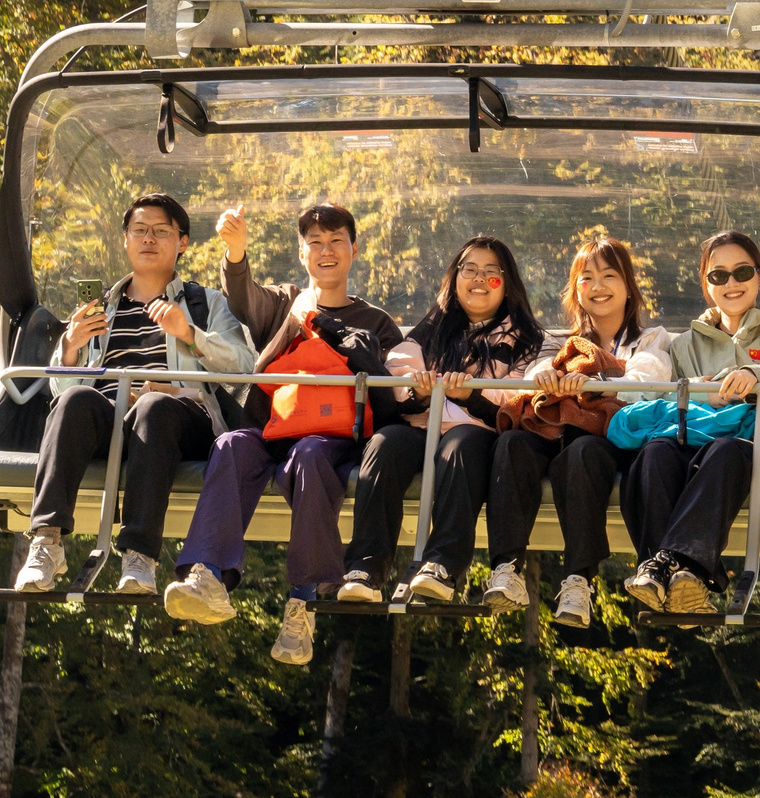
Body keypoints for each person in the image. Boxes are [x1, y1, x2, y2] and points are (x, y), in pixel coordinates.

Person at [161, 202, 408, 664]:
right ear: (301, 253)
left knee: (312, 456)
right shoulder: (285, 303)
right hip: (273, 431)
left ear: (354, 250)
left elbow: (393, 388)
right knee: (231, 445)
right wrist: (236, 254)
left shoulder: (374, 322)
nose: (326, 251)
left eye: (336, 242)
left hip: (331, 438)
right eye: (315, 243)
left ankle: (305, 597)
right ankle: (209, 574)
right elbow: (244, 299)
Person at [11, 194, 257, 594]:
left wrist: (189, 335)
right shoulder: (100, 307)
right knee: (75, 401)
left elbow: (244, 365)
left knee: (154, 404)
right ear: (125, 239)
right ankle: (46, 543)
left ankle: (139, 557)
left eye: (161, 232)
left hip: (177, 419)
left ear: (182, 243)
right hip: (111, 419)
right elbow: (60, 393)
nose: (148, 240)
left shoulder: (203, 302)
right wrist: (71, 349)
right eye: (139, 231)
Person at [337, 236, 545, 607]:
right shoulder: (434, 327)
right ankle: (365, 567)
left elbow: (520, 394)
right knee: (384, 445)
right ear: (455, 278)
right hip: (422, 423)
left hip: (476, 432)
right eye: (470, 270)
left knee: (459, 447)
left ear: (507, 283)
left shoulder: (524, 337)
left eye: (491, 273)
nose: (479, 280)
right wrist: (416, 389)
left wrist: (474, 396)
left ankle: (442, 564)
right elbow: (401, 365)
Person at [482, 237, 674, 627]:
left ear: (628, 287)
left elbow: (649, 376)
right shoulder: (559, 342)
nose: (598, 287)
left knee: (584, 453)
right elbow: (536, 369)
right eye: (587, 278)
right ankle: (506, 568)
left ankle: (578, 579)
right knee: (512, 443)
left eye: (609, 276)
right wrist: (549, 376)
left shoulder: (650, 338)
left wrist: (595, 383)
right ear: (576, 290)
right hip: (556, 432)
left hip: (608, 436)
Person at [620, 231, 760, 615]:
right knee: (654, 455)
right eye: (719, 276)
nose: (731, 284)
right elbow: (671, 398)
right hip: (693, 438)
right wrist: (705, 391)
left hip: (751, 441)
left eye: (741, 272)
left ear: (759, 276)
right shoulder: (684, 344)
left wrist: (752, 374)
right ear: (706, 284)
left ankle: (663, 567)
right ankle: (681, 578)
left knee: (725, 452)